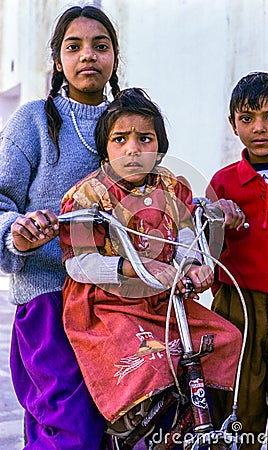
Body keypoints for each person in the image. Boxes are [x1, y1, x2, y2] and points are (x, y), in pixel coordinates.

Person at [59, 87, 243, 443]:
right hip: (107, 305)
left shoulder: (172, 188)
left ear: (159, 146)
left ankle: (197, 416)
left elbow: (186, 235)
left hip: (163, 300)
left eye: (145, 139)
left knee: (225, 337)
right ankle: (128, 423)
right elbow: (79, 264)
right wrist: (126, 269)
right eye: (120, 139)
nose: (133, 149)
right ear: (105, 148)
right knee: (148, 361)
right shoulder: (88, 195)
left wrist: (192, 264)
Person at [0, 5, 120, 449]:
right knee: (67, 426)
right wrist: (16, 232)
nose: (88, 55)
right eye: (74, 46)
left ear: (114, 58)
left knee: (119, 423)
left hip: (116, 304)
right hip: (49, 300)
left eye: (100, 46)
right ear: (57, 60)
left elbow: (158, 195)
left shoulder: (127, 124)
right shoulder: (33, 121)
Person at [206, 72, 268, 449]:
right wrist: (217, 219)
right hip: (238, 306)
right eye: (247, 118)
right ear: (233, 124)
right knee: (240, 403)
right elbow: (206, 249)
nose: (259, 128)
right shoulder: (222, 183)